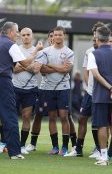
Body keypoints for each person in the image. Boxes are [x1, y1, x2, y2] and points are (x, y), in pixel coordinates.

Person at [0, 21, 42, 159]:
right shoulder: (10, 44)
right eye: (16, 32)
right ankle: (14, 152)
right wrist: (36, 51)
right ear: (9, 32)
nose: (18, 35)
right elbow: (26, 63)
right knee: (9, 116)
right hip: (2, 81)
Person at [87, 26, 112, 166]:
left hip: (100, 96)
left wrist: (110, 87)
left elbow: (96, 75)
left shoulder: (94, 54)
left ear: (97, 38)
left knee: (102, 126)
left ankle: (103, 157)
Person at [64, 21, 104, 158]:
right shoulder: (89, 51)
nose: (96, 35)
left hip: (103, 93)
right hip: (90, 92)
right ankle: (78, 149)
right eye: (95, 32)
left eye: (98, 32)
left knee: (100, 122)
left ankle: (100, 149)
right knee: (82, 118)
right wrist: (89, 87)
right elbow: (86, 72)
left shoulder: (109, 51)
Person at [39, 26, 74, 156]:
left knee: (64, 116)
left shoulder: (69, 52)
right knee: (52, 117)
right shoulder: (46, 51)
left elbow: (66, 70)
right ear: (52, 36)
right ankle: (55, 146)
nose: (57, 37)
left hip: (63, 88)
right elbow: (42, 70)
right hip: (48, 88)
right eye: (55, 35)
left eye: (60, 35)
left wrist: (51, 65)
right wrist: (59, 67)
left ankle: (64, 147)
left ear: (64, 36)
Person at [12, 27, 42, 154]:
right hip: (14, 87)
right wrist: (29, 65)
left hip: (30, 89)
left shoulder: (39, 51)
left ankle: (22, 145)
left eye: (28, 34)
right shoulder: (16, 49)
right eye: (23, 35)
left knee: (26, 116)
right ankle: (6, 143)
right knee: (10, 117)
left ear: (32, 36)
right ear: (19, 36)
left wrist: (22, 65)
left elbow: (36, 70)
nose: (25, 37)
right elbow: (13, 69)